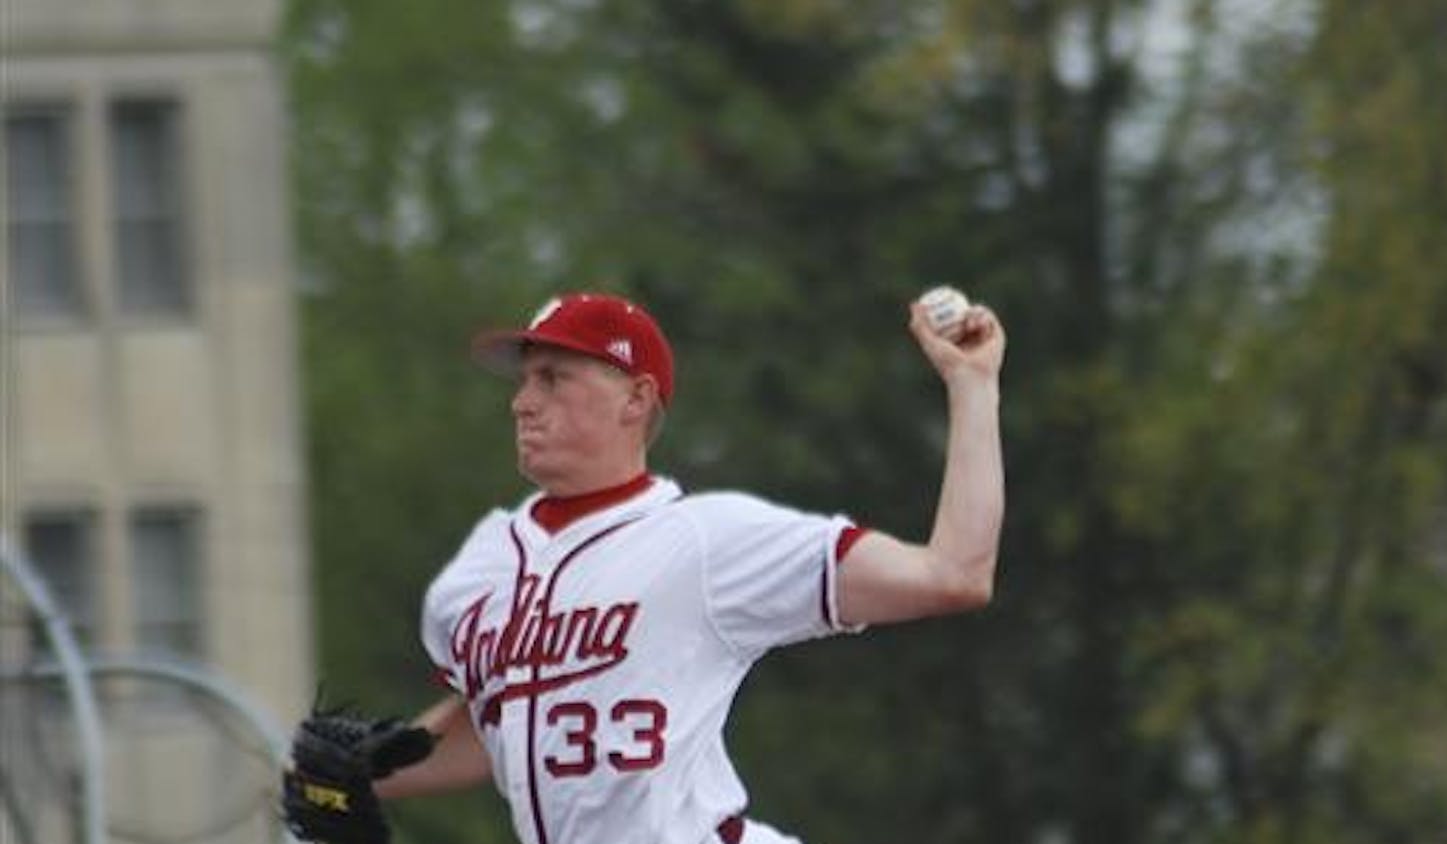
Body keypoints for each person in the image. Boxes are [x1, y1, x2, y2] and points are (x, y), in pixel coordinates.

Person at [319, 289, 1004, 844]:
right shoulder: (480, 568)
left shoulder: (707, 541)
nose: (523, 401)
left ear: (637, 400)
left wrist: (972, 389)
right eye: (525, 380)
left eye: (553, 377)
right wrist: (363, 772)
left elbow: (953, 575)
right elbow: (505, 714)